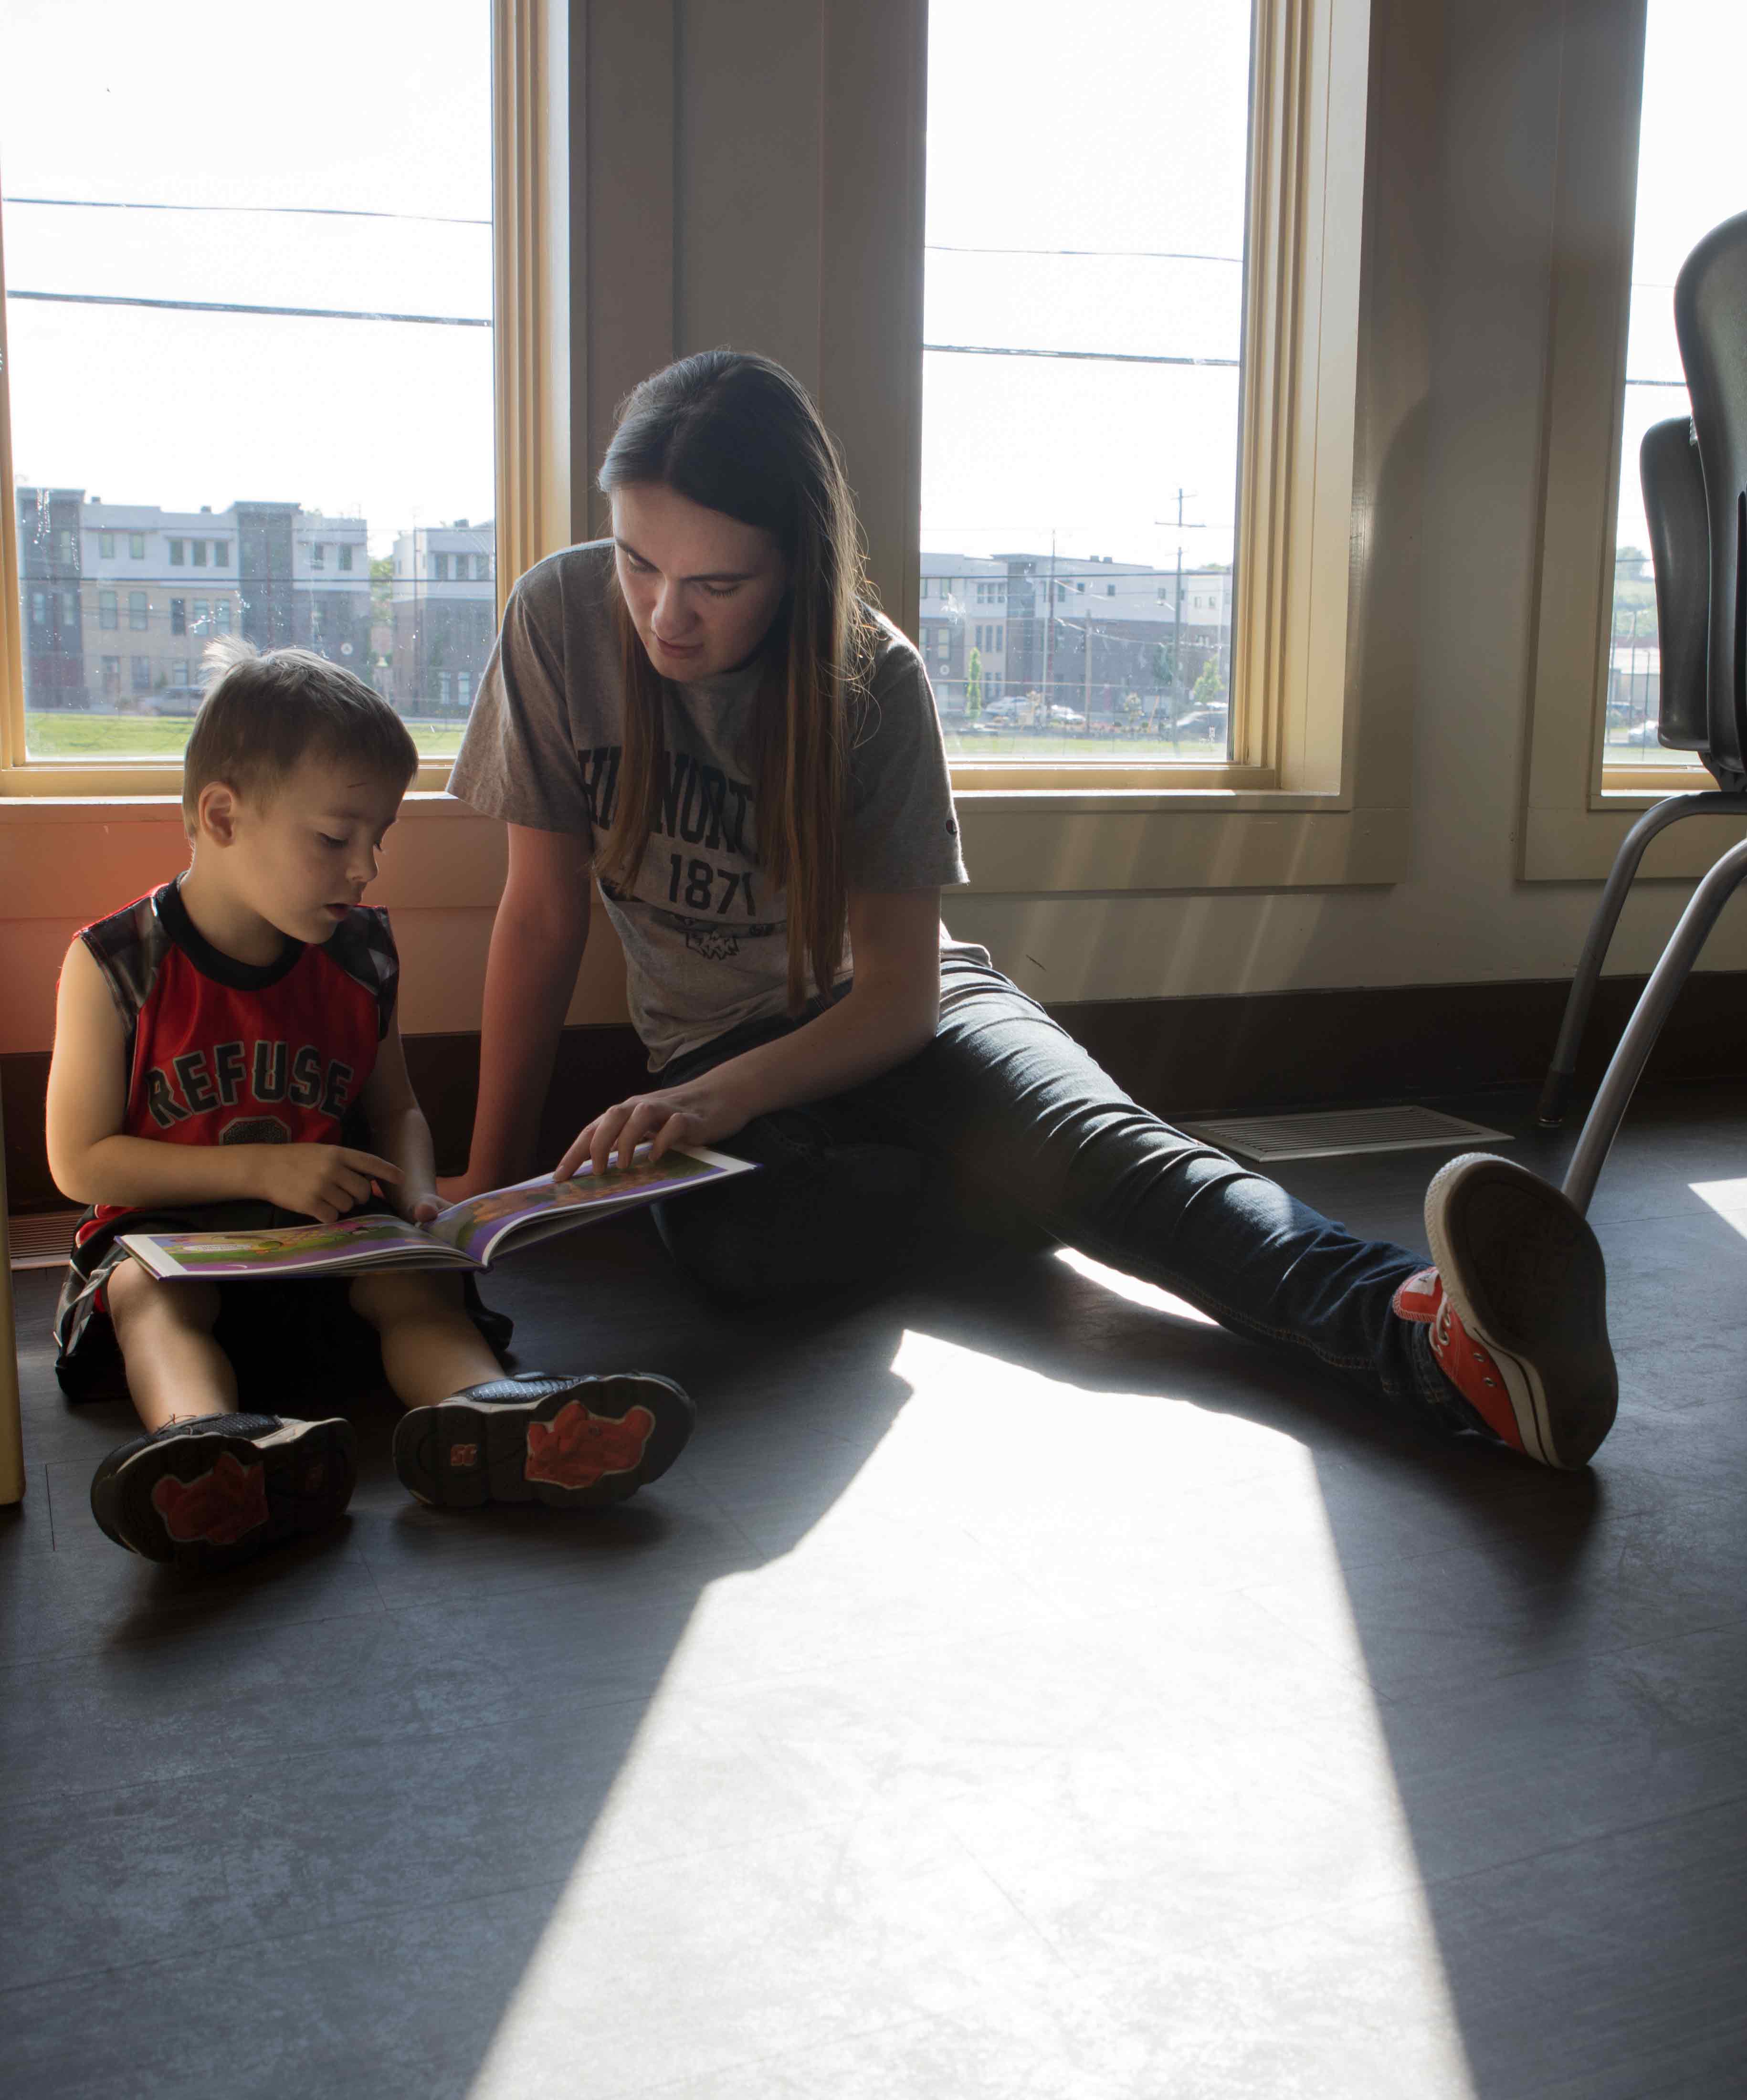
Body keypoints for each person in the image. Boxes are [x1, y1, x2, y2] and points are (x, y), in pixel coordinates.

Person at [445, 349, 1617, 1473]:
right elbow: (541, 916)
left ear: (797, 565)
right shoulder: (557, 622)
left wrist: (709, 1100)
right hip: (719, 1046)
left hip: (912, 1015)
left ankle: (1441, 1342)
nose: (665, 616)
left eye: (717, 583)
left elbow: (898, 995)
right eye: (639, 562)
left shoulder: (874, 680)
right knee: (746, 1249)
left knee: (1124, 1159)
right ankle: (1011, 1180)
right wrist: (490, 1182)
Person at [45, 643, 693, 1572]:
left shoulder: (360, 956)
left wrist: (422, 1197)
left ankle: (493, 1419)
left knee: (411, 1280)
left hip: (325, 1254)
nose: (366, 868)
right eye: (335, 838)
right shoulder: (116, 961)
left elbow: (397, 1109)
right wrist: (257, 1170)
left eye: (379, 837)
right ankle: (214, 1450)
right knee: (152, 1294)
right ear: (222, 816)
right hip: (173, 1243)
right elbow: (80, 1162)